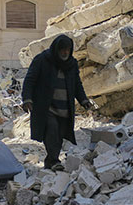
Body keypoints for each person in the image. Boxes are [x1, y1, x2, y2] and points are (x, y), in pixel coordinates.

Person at [21, 34, 92, 170]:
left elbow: (77, 84)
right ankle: (54, 161)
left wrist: (83, 100)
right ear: (56, 49)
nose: (65, 52)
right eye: (62, 49)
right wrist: (27, 98)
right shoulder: (42, 60)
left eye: (67, 50)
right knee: (51, 129)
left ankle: (50, 161)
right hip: (46, 106)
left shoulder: (71, 64)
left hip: (64, 108)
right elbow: (30, 80)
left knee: (59, 134)